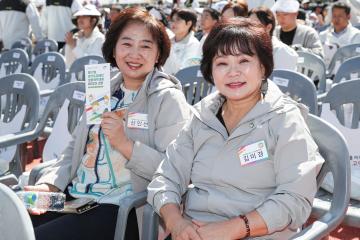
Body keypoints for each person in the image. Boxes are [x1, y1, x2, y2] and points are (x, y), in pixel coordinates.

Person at [147, 18, 324, 240]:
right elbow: (167, 175)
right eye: (222, 63)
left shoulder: (285, 120)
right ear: (210, 71)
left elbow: (295, 198)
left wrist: (233, 228)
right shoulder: (201, 116)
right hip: (194, 233)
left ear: (263, 66)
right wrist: (176, 222)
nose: (233, 72)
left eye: (244, 60)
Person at [25, 7, 190, 240]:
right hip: (76, 197)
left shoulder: (167, 98)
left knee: (36, 237)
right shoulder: (102, 88)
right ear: (113, 48)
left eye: (145, 46)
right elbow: (74, 150)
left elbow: (175, 171)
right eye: (126, 44)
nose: (135, 54)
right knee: (11, 217)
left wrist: (125, 144)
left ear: (158, 54)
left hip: (123, 207)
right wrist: (49, 186)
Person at [249, 6, 298, 70]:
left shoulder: (281, 52)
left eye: (255, 25)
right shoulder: (247, 46)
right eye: (248, 24)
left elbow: (282, 78)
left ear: (268, 27)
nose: (250, 28)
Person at [163, 8, 200, 75]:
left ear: (188, 24)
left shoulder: (194, 44)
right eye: (172, 20)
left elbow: (185, 71)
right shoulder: (168, 41)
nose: (173, 23)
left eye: (178, 20)